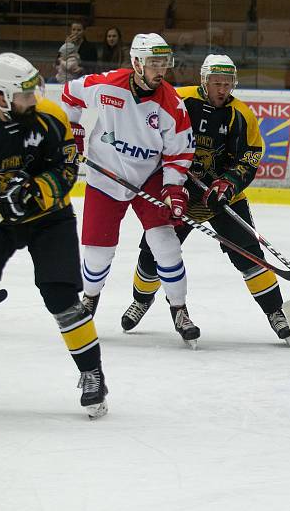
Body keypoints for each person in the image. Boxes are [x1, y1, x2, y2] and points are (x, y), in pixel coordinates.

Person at [0, 53, 108, 418]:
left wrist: (35, 191)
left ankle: (92, 373)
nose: (34, 99)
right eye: (25, 94)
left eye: (35, 91)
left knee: (60, 294)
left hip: (48, 216)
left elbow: (67, 167)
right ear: (0, 96)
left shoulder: (50, 116)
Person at [120, 54, 290, 345]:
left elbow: (250, 156)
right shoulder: (180, 100)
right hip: (178, 190)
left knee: (249, 253)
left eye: (227, 84)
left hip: (221, 195)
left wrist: (229, 183)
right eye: (216, 83)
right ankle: (140, 300)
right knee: (153, 252)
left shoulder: (242, 115)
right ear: (204, 81)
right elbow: (151, 133)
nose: (222, 89)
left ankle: (276, 312)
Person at [61, 33, 199, 347]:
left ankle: (179, 309)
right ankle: (90, 299)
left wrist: (174, 188)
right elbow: (69, 94)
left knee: (165, 242)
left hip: (148, 176)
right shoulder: (105, 84)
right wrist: (75, 133)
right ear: (136, 62)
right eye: (153, 62)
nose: (159, 69)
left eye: (163, 62)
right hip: (104, 175)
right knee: (97, 253)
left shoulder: (172, 104)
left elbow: (179, 153)